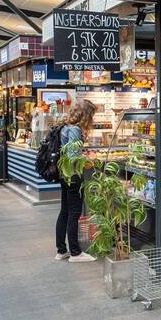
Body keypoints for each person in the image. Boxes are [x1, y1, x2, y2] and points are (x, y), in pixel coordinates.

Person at [55, 98, 97, 261]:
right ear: (86, 115)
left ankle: (61, 250)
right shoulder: (75, 129)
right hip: (73, 174)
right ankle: (75, 252)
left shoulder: (64, 125)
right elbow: (73, 156)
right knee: (74, 212)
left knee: (64, 211)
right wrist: (87, 159)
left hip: (64, 173)